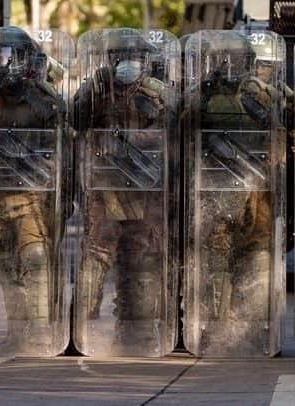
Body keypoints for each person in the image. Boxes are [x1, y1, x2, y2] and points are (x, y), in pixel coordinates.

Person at [73, 28, 175, 354]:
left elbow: (173, 135)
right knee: (96, 258)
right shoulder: (97, 91)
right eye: (121, 57)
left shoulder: (160, 95)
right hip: (105, 189)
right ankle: (80, 334)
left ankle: (136, 334)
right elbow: (76, 118)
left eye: (134, 57)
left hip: (145, 190)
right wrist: (99, 86)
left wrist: (131, 138)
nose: (128, 63)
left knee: (141, 262)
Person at [186, 30, 285, 355]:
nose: (228, 66)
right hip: (219, 191)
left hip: (253, 194)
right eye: (223, 60)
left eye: (235, 60)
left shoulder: (264, 96)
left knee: (254, 260)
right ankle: (223, 329)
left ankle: (250, 329)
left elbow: (284, 139)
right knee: (220, 262)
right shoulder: (200, 97)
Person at [0, 26, 67, 354]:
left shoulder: (44, 99)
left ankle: (41, 333)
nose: (4, 63)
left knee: (36, 259)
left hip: (31, 194)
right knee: (4, 265)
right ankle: (17, 332)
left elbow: (59, 149)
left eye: (10, 57)